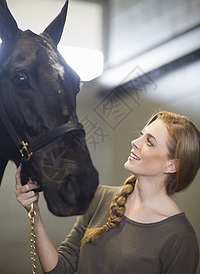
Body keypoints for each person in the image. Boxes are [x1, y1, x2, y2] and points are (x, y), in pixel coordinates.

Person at [16, 111, 200, 274]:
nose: (135, 142)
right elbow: (60, 268)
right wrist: (34, 213)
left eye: (149, 142)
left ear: (172, 165)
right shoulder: (100, 197)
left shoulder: (181, 238)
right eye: (141, 135)